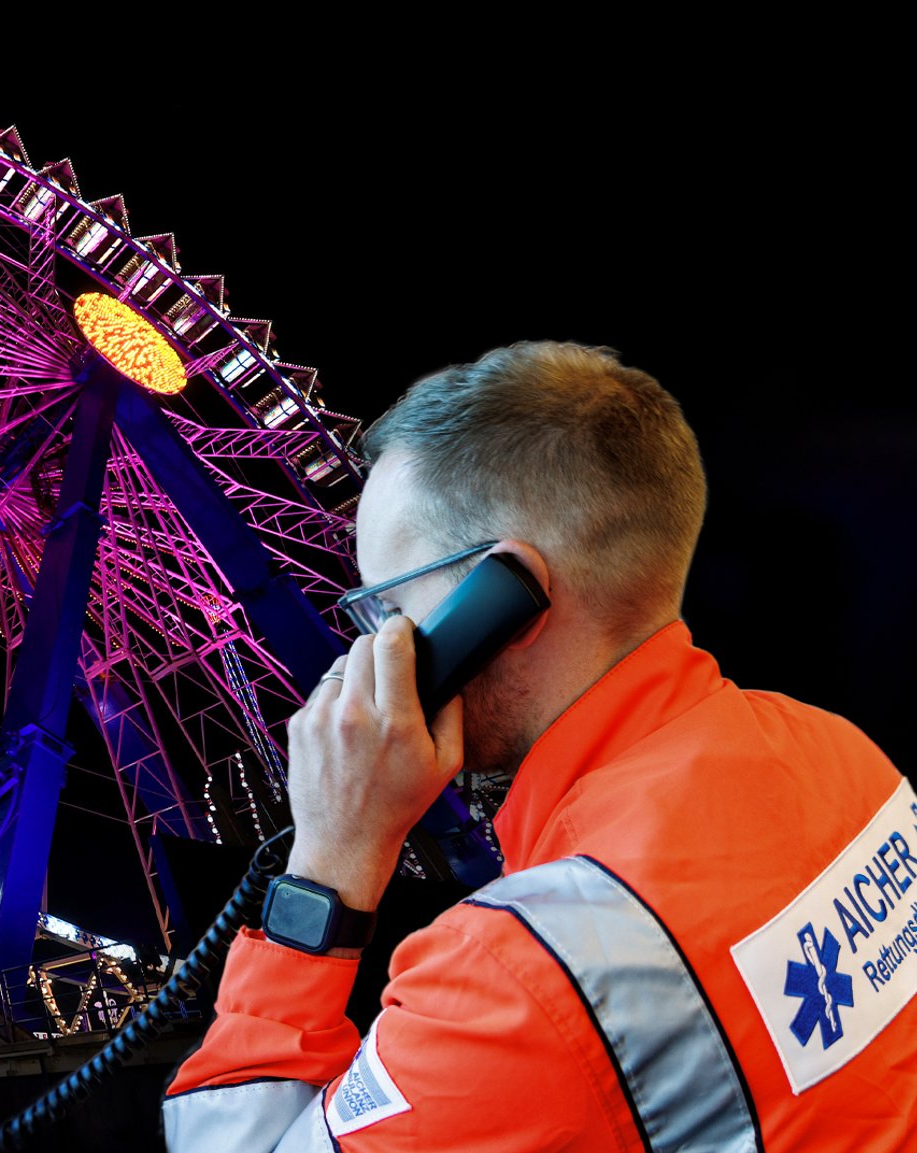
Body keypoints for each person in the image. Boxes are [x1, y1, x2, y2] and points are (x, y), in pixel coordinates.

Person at [163, 342, 913, 1150]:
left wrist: (328, 862)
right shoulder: (842, 754)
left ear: (505, 597)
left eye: (386, 605)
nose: (372, 651)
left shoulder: (516, 974)